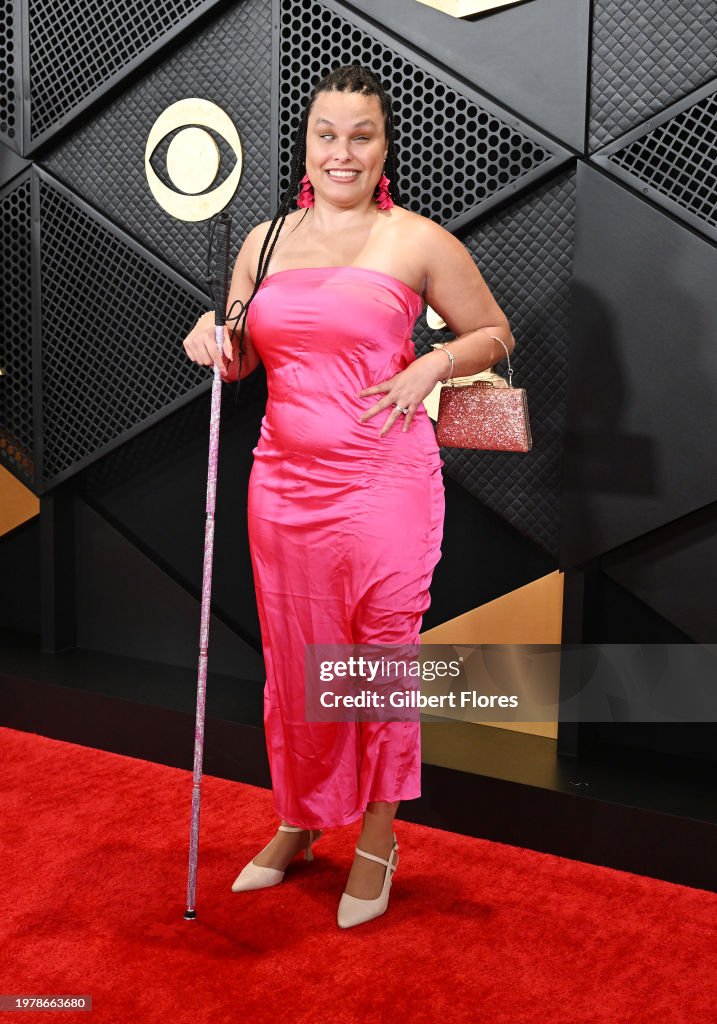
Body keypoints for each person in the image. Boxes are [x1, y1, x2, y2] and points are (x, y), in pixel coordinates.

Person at [182, 64, 513, 929]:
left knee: (371, 664)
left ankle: (376, 836)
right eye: (327, 133)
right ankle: (299, 818)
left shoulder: (417, 240)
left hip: (384, 486)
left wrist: (433, 363)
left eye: (360, 134)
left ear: (383, 144)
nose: (342, 150)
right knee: (297, 664)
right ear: (306, 142)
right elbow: (242, 355)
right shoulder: (263, 241)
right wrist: (211, 337)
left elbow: (492, 333)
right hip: (281, 484)